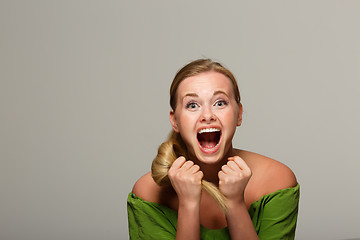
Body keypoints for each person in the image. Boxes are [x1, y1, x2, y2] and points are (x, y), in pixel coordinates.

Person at [127, 59, 299, 240]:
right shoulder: (149, 193)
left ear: (239, 114)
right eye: (192, 105)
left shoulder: (275, 182)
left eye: (219, 103)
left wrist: (234, 204)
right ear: (175, 121)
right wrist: (188, 204)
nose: (207, 116)